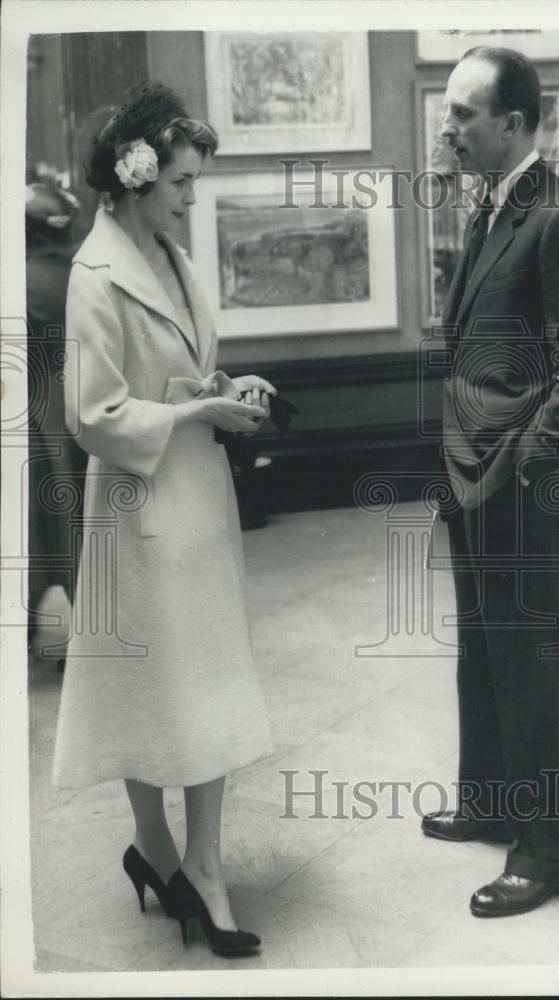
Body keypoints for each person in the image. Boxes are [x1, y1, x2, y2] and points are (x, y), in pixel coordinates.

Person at [51, 83, 276, 956]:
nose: (190, 198)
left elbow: (173, 375)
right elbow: (92, 413)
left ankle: (203, 864)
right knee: (149, 692)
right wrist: (193, 416)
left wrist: (223, 392)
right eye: (181, 182)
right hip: (138, 509)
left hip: (197, 505)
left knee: (208, 686)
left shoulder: (174, 261)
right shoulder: (94, 274)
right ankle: (155, 851)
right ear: (136, 178)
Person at [421, 48, 559, 916]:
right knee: (482, 646)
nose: (448, 127)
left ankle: (544, 854)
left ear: (511, 123)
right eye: (448, 111)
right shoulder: (496, 206)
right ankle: (493, 802)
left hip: (523, 485)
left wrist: (528, 464)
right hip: (475, 475)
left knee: (532, 659)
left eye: (463, 114)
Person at [26, 176, 87, 666]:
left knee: (35, 524)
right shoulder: (88, 274)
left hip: (33, 416)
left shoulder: (17, 282)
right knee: (81, 522)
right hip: (85, 411)